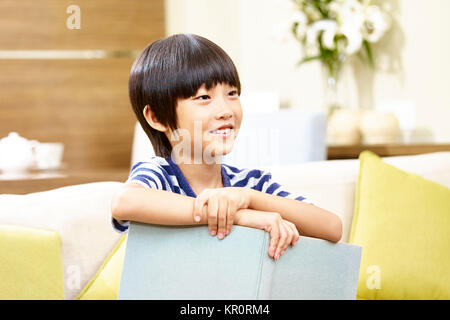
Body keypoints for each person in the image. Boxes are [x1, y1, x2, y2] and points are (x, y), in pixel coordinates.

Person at [111, 33, 342, 261]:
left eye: (232, 94)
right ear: (157, 118)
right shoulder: (159, 176)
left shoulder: (249, 185)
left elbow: (332, 227)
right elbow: (124, 202)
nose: (225, 110)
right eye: (203, 97)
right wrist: (239, 218)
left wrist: (248, 198)